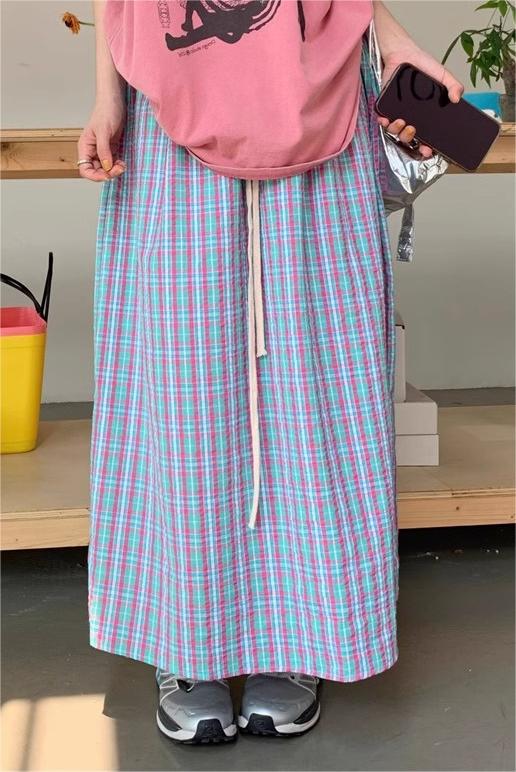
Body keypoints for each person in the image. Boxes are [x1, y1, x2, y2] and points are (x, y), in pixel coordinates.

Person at [79, 0, 463, 745]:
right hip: (169, 98)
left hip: (316, 88)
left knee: (316, 385)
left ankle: (299, 636)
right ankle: (187, 644)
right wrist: (107, 91)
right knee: (182, 386)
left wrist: (391, 40)